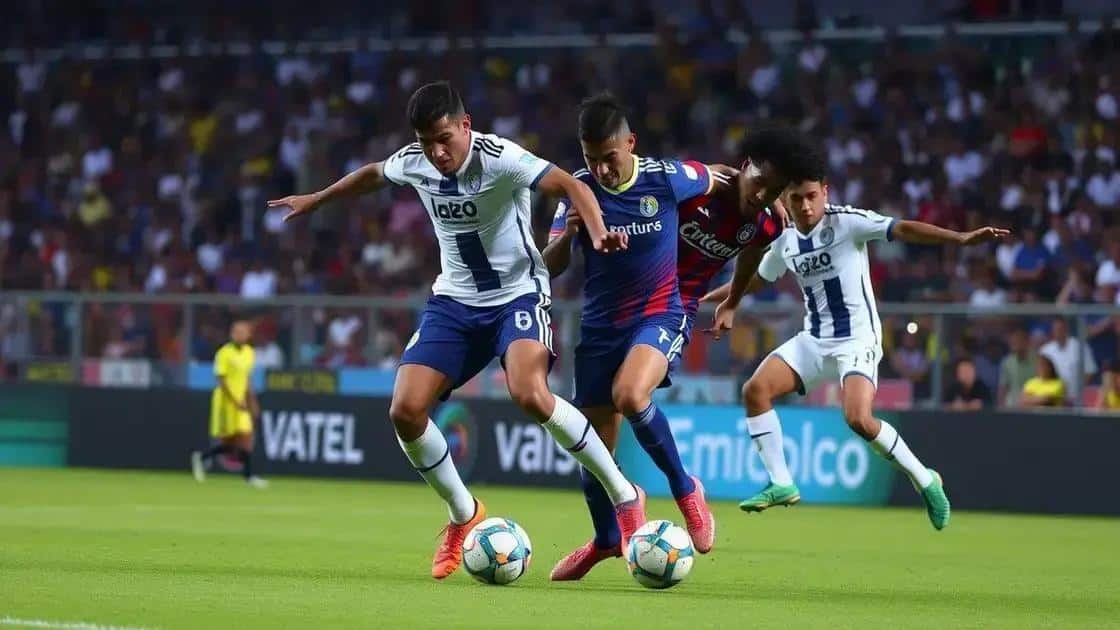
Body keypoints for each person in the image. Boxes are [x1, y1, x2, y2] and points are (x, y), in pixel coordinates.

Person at [268, 81, 644, 580]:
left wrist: (596, 232)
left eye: (445, 137)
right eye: (427, 141)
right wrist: (317, 198)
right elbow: (374, 175)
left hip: (517, 294)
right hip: (455, 301)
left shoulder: (500, 158)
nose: (436, 151)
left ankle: (624, 494)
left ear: (465, 126)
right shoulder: (416, 160)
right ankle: (464, 514)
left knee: (530, 394)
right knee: (405, 410)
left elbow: (572, 186)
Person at [539, 96, 796, 581]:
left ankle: (685, 490)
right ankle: (607, 540)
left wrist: (761, 189)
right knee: (593, 447)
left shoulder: (671, 177)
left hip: (662, 309)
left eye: (609, 157)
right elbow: (548, 267)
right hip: (599, 325)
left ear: (630, 144)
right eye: (591, 158)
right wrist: (565, 237)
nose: (601, 168)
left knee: (630, 395)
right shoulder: (577, 191)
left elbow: (722, 179)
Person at [706, 154, 1009, 530]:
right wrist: (708, 301)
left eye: (812, 196)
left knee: (858, 419)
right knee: (755, 391)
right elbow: (753, 278)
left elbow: (904, 229)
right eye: (796, 198)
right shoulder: (784, 239)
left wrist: (960, 238)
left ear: (825, 192)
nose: (805, 205)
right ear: (784, 198)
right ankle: (781, 482)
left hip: (856, 339)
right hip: (814, 340)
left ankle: (925, 480)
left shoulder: (847, 221)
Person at [191, 319, 268, 488]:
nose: (239, 335)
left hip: (241, 402)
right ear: (232, 334)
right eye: (236, 332)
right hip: (225, 402)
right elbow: (221, 379)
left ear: (248, 335)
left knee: (246, 437)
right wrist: (235, 401)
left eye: (243, 332)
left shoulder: (249, 353)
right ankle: (203, 457)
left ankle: (249, 476)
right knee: (230, 443)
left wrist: (252, 400)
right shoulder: (224, 353)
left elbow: (247, 379)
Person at [1039, 317, 1097, 404]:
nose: (1058, 332)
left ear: (1066, 329)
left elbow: (1090, 371)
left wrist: (1079, 391)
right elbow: (1040, 374)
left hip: (1076, 399)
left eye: (1060, 329)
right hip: (1052, 400)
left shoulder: (1080, 347)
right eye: (1055, 329)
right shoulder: (1045, 350)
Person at [998, 327, 1036, 407]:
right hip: (1012, 408)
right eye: (1013, 341)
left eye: (1018, 341)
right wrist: (1001, 408)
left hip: (1033, 406)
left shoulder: (1037, 361)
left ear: (1026, 342)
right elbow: (1003, 388)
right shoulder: (1007, 363)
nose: (1014, 344)